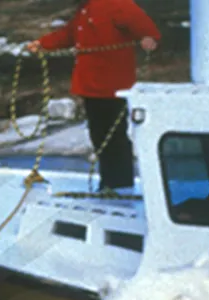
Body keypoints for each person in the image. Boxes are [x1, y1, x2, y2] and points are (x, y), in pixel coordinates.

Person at [27, 0, 161, 192]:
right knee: (99, 137)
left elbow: (144, 26)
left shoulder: (118, 4)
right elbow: (68, 35)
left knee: (114, 138)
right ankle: (108, 183)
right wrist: (42, 44)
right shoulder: (85, 9)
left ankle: (121, 185)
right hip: (91, 87)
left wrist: (149, 38)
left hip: (114, 86)